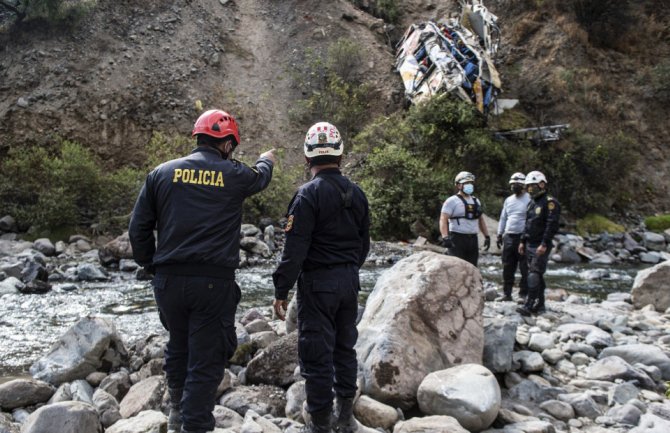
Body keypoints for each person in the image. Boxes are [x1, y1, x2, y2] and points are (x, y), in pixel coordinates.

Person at [128, 109, 276, 433]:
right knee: (205, 361)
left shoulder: (161, 173)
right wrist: (266, 159)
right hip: (212, 283)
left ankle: (177, 415)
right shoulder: (234, 173)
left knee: (178, 345)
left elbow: (138, 228)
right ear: (226, 144)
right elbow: (260, 177)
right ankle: (193, 425)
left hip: (168, 281)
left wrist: (150, 263)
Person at [272, 122, 370, 433]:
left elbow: (294, 251)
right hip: (348, 282)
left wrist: (281, 289)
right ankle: (345, 416)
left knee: (316, 353)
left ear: (307, 158)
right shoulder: (358, 194)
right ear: (340, 156)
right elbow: (363, 244)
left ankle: (321, 424)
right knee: (345, 348)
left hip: (317, 285)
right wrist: (348, 271)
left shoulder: (306, 196)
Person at [516, 170, 561, 317]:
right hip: (529, 243)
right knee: (537, 274)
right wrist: (522, 241)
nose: (530, 189)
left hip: (540, 245)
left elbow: (551, 225)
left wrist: (544, 243)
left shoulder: (550, 202)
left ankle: (529, 304)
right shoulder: (532, 203)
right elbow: (527, 223)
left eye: (532, 186)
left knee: (534, 273)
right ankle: (540, 304)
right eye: (528, 186)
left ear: (542, 184)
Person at [439, 171, 491, 266]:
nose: (469, 185)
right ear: (459, 185)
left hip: (473, 239)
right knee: (456, 267)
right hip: (457, 238)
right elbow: (443, 219)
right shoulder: (451, 201)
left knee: (472, 267)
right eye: (466, 183)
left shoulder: (476, 201)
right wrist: (445, 237)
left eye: (471, 183)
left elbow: (480, 220)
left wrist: (487, 236)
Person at [496, 172, 531, 302]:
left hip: (524, 238)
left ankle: (523, 294)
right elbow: (503, 218)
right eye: (512, 184)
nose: (514, 186)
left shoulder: (530, 199)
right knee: (507, 266)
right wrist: (499, 234)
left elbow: (531, 219)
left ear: (523, 185)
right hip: (509, 236)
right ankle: (507, 294)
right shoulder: (508, 200)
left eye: (516, 184)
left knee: (524, 267)